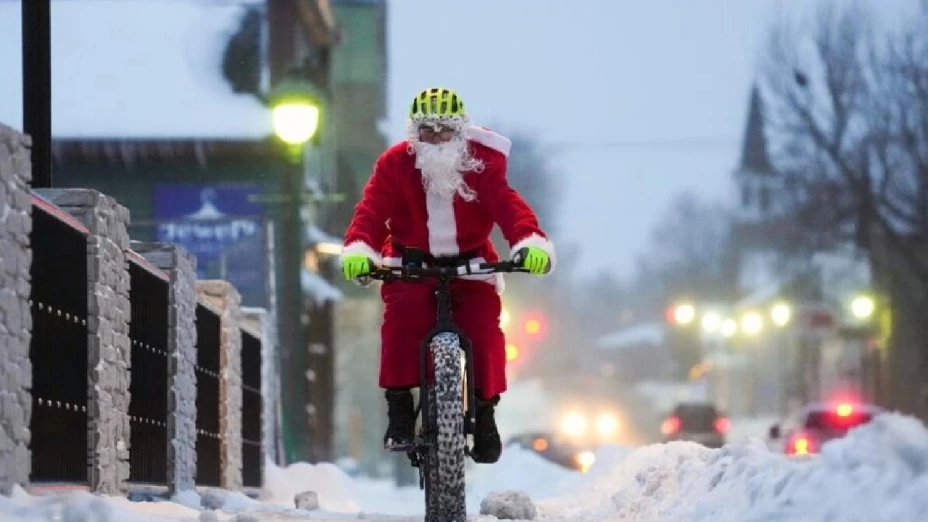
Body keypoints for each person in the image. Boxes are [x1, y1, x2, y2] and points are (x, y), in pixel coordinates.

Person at [339, 87, 555, 464]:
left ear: (462, 132)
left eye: (446, 130)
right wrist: (360, 249)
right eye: (428, 130)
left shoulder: (481, 165)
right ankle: (400, 410)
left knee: (485, 331)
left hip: (471, 266)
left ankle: (486, 414)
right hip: (411, 265)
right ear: (414, 133)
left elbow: (509, 207)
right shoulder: (395, 165)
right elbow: (371, 211)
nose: (437, 138)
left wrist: (528, 241)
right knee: (401, 325)